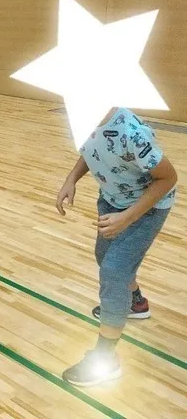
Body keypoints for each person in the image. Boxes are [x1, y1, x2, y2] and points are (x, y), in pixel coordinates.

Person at [56, 108, 177, 386]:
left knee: (113, 271)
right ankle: (135, 303)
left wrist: (127, 218)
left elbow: (168, 178)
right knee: (104, 257)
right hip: (111, 202)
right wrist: (71, 179)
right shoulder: (85, 118)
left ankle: (105, 359)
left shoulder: (131, 133)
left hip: (147, 208)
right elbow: (91, 149)